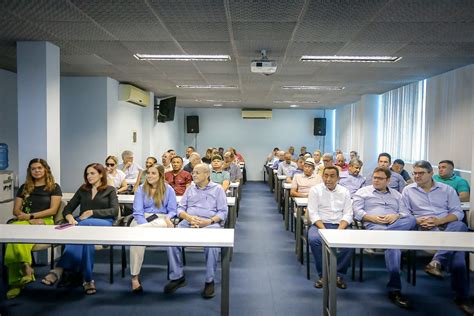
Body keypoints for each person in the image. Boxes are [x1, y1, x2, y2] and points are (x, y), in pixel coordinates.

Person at [402, 160, 473, 315]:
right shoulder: (408, 190)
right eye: (415, 173)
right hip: (423, 229)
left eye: (421, 173)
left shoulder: (447, 190)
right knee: (459, 252)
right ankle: (462, 297)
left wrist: (440, 220)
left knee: (460, 225)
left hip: (445, 226)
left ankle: (437, 261)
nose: (416, 176)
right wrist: (418, 220)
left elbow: (458, 212)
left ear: (430, 173)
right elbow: (404, 213)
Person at [41, 163, 119, 295]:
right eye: (87, 174)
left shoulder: (110, 190)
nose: (89, 176)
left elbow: (114, 210)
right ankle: (88, 279)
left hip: (104, 223)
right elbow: (68, 208)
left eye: (92, 173)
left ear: (101, 174)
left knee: (83, 227)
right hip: (84, 226)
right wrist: (70, 217)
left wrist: (92, 212)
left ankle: (59, 268)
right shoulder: (83, 189)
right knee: (86, 239)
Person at [353, 167, 416, 309]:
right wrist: (372, 218)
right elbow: (357, 212)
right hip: (376, 226)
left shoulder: (397, 195)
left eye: (380, 178)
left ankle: (387, 237)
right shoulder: (363, 192)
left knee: (411, 220)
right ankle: (395, 290)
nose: (376, 180)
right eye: (374, 177)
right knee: (393, 246)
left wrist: (396, 216)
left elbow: (405, 212)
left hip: (395, 225)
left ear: (388, 180)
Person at [164, 164, 228, 299]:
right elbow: (180, 208)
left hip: (209, 223)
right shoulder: (190, 189)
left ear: (207, 174)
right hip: (189, 221)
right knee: (171, 242)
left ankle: (209, 280)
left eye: (197, 173)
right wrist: (188, 217)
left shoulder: (218, 189)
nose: (194, 175)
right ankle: (177, 277)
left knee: (212, 246)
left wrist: (208, 221)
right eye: (193, 172)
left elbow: (223, 212)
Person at [4, 158, 62, 299]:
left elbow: (53, 210)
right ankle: (26, 268)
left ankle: (16, 282)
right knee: (14, 234)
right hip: (24, 220)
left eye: (39, 168)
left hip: (44, 221)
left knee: (16, 237)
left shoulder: (54, 187)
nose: (36, 171)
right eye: (33, 169)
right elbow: (16, 210)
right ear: (30, 171)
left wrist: (32, 217)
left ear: (45, 169)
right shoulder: (25, 187)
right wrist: (25, 217)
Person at [129, 164, 177, 293]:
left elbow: (172, 210)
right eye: (148, 173)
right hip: (141, 219)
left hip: (161, 219)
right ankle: (134, 277)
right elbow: (137, 211)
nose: (149, 175)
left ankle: (136, 231)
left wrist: (168, 218)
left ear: (161, 175)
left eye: (153, 173)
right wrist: (144, 225)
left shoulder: (169, 189)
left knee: (161, 223)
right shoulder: (141, 189)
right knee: (137, 240)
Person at [307, 166, 353, 289]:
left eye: (332, 176)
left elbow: (348, 213)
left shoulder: (344, 191)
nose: (328, 179)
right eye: (325, 175)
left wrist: (340, 230)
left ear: (338, 178)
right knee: (314, 240)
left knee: (350, 242)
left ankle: (338, 274)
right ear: (322, 177)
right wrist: (324, 230)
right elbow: (313, 213)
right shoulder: (315, 190)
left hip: (340, 225)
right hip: (320, 224)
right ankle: (323, 275)